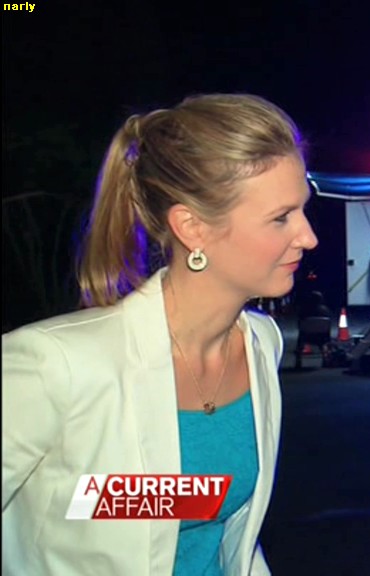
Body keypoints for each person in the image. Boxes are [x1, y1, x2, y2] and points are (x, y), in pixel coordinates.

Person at [2, 94, 318, 575]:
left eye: (302, 210)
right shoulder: (55, 366)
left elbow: (225, 534)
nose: (308, 236)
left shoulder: (259, 342)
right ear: (192, 228)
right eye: (281, 217)